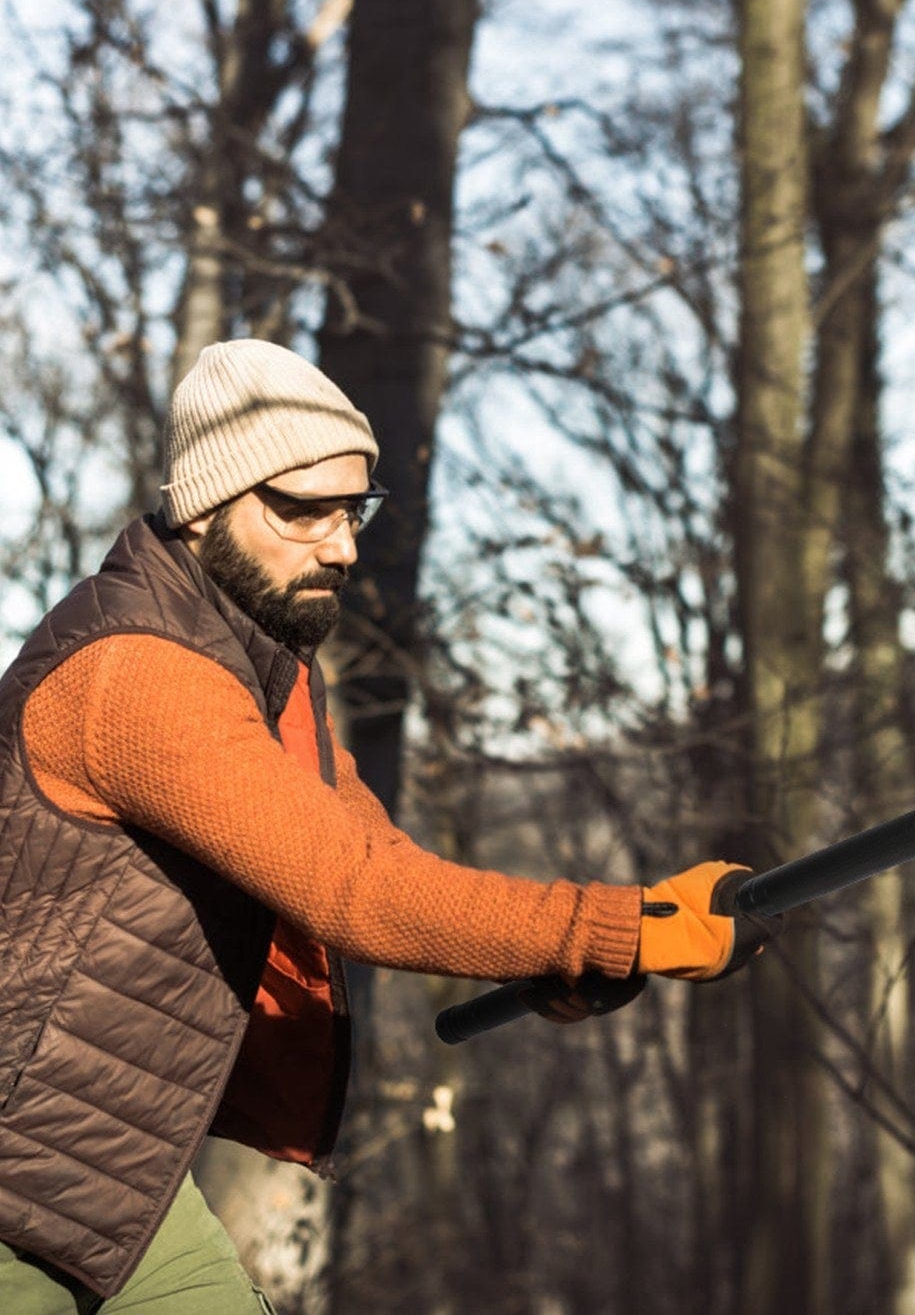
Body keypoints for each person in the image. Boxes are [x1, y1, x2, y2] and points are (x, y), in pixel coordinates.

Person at [0, 340, 778, 1312]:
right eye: (303, 509)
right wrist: (619, 925)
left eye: (353, 509)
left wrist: (539, 953)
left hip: (99, 1165)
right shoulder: (141, 677)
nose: (343, 544)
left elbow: (382, 859)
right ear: (205, 505)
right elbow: (353, 893)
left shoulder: (261, 665)